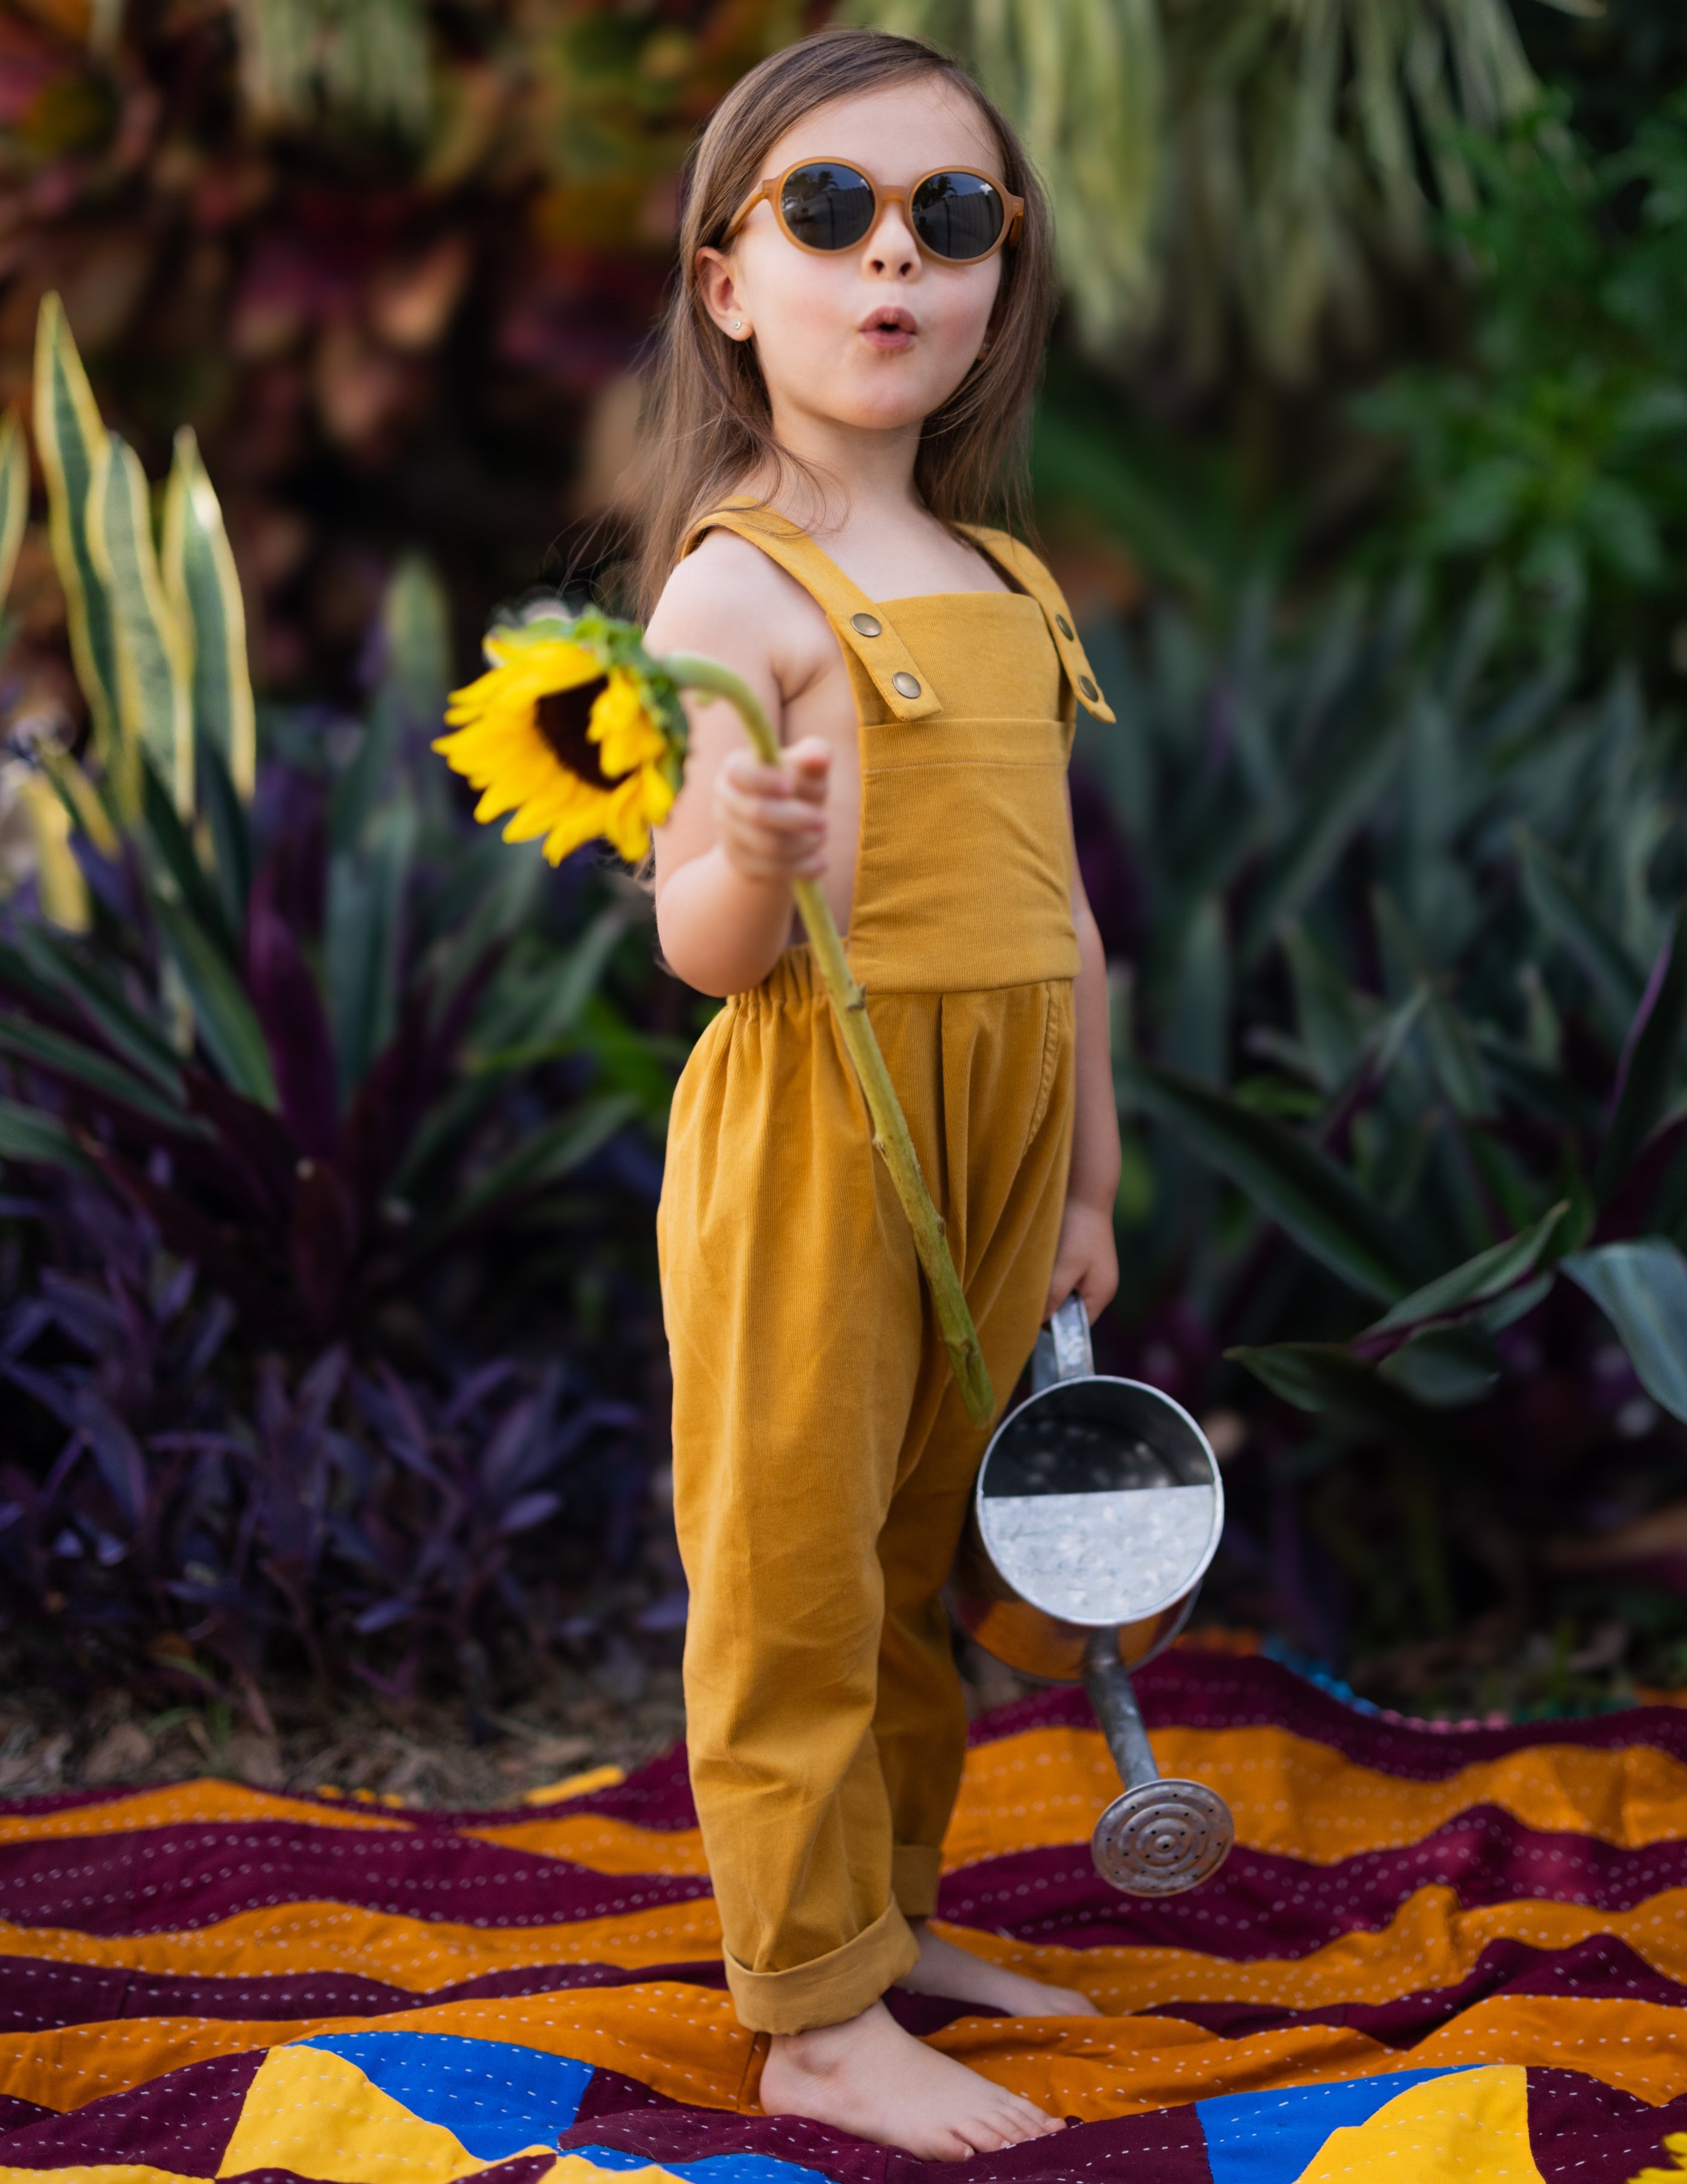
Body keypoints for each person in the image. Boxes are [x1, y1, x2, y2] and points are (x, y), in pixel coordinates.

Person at [636, 24, 1122, 2166]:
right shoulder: (736, 581)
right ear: (731, 282)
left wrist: (1090, 1183)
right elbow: (698, 945)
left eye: (953, 214)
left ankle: (889, 1917)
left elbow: (1066, 919)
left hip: (1005, 1138)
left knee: (925, 1543)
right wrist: (755, 851)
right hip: (821, 1133)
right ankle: (814, 2015)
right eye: (829, 210)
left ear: (1002, 271)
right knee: (797, 1568)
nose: (893, 255)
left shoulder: (1010, 583)